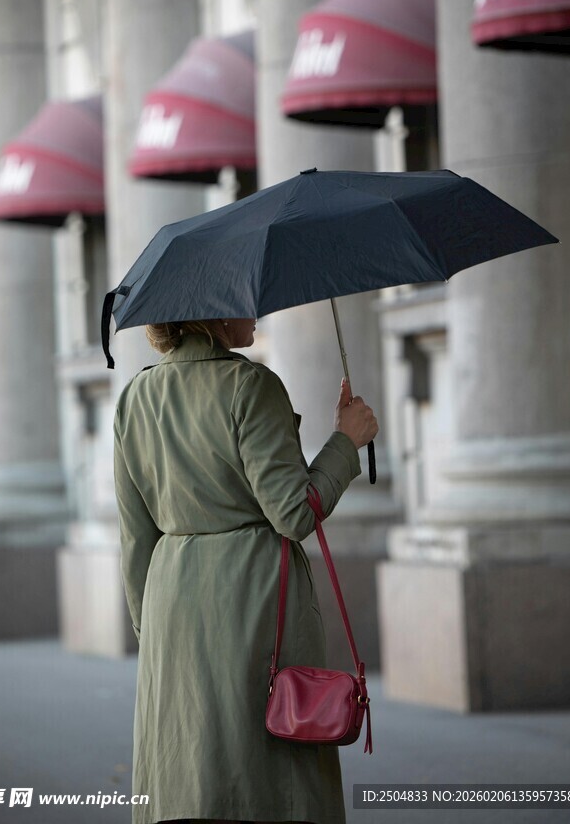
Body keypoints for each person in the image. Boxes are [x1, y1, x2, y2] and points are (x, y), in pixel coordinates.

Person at [113, 316, 378, 824]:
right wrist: (347, 440)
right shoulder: (250, 386)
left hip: (171, 604)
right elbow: (294, 512)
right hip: (251, 598)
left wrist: (153, 636)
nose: (254, 310)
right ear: (208, 312)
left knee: (190, 774)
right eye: (241, 299)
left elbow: (134, 538)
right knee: (267, 771)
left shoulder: (134, 397)